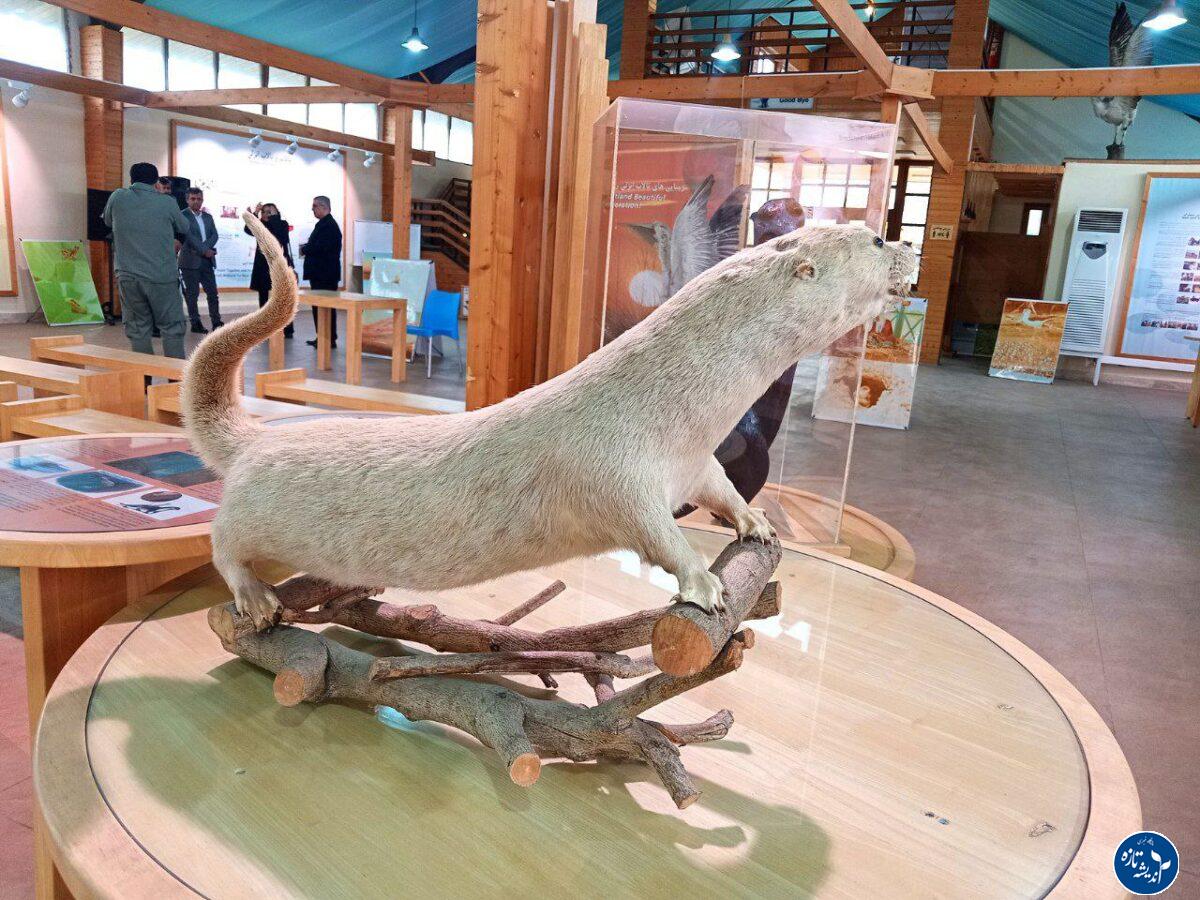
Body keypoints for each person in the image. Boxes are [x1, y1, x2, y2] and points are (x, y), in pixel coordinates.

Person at [101, 162, 193, 359]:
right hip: (161, 276)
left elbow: (107, 220)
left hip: (128, 276)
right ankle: (174, 375)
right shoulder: (167, 202)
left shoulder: (117, 197)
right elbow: (184, 227)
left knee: (137, 328)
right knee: (171, 327)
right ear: (156, 181)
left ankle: (144, 375)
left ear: (131, 179)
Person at [246, 202, 295, 338]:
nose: (266, 214)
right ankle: (265, 328)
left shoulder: (282, 224)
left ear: (276, 213)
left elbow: (282, 237)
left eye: (270, 212)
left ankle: (288, 329)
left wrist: (274, 218)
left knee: (283, 298)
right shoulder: (260, 225)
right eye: (264, 212)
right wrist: (254, 214)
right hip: (263, 266)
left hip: (279, 265)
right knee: (263, 297)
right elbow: (248, 229)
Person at [178, 187, 224, 333]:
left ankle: (216, 322)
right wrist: (205, 250)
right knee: (192, 295)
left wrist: (206, 250)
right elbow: (188, 237)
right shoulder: (182, 215)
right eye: (193, 199)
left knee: (212, 293)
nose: (196, 201)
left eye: (199, 199)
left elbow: (214, 235)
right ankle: (195, 323)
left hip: (207, 261)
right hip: (190, 262)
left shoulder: (208, 217)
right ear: (187, 200)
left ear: (202, 200)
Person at [299, 195, 342, 348]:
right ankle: (323, 337)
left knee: (325, 307)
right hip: (321, 274)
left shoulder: (328, 226)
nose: (312, 209)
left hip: (325, 274)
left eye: (315, 206)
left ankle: (328, 339)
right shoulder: (324, 224)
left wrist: (305, 249)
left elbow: (320, 247)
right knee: (319, 307)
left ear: (324, 207)